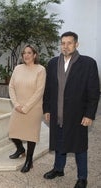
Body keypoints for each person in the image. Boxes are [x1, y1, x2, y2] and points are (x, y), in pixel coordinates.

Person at [43, 31, 100, 188]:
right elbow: (48, 88)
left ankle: (82, 177)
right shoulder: (53, 63)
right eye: (63, 43)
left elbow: (94, 92)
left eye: (69, 43)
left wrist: (89, 114)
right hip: (57, 112)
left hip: (77, 114)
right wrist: (47, 109)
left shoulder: (88, 63)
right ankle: (58, 169)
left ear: (76, 44)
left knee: (79, 146)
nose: (65, 46)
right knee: (59, 142)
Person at [8, 44, 46, 173]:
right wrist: (16, 104)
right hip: (18, 106)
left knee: (31, 135)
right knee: (12, 132)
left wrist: (26, 107)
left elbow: (39, 91)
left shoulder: (40, 70)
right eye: (24, 53)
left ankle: (29, 161)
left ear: (34, 55)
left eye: (29, 53)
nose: (26, 55)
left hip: (33, 108)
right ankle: (20, 149)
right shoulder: (18, 68)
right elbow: (11, 87)